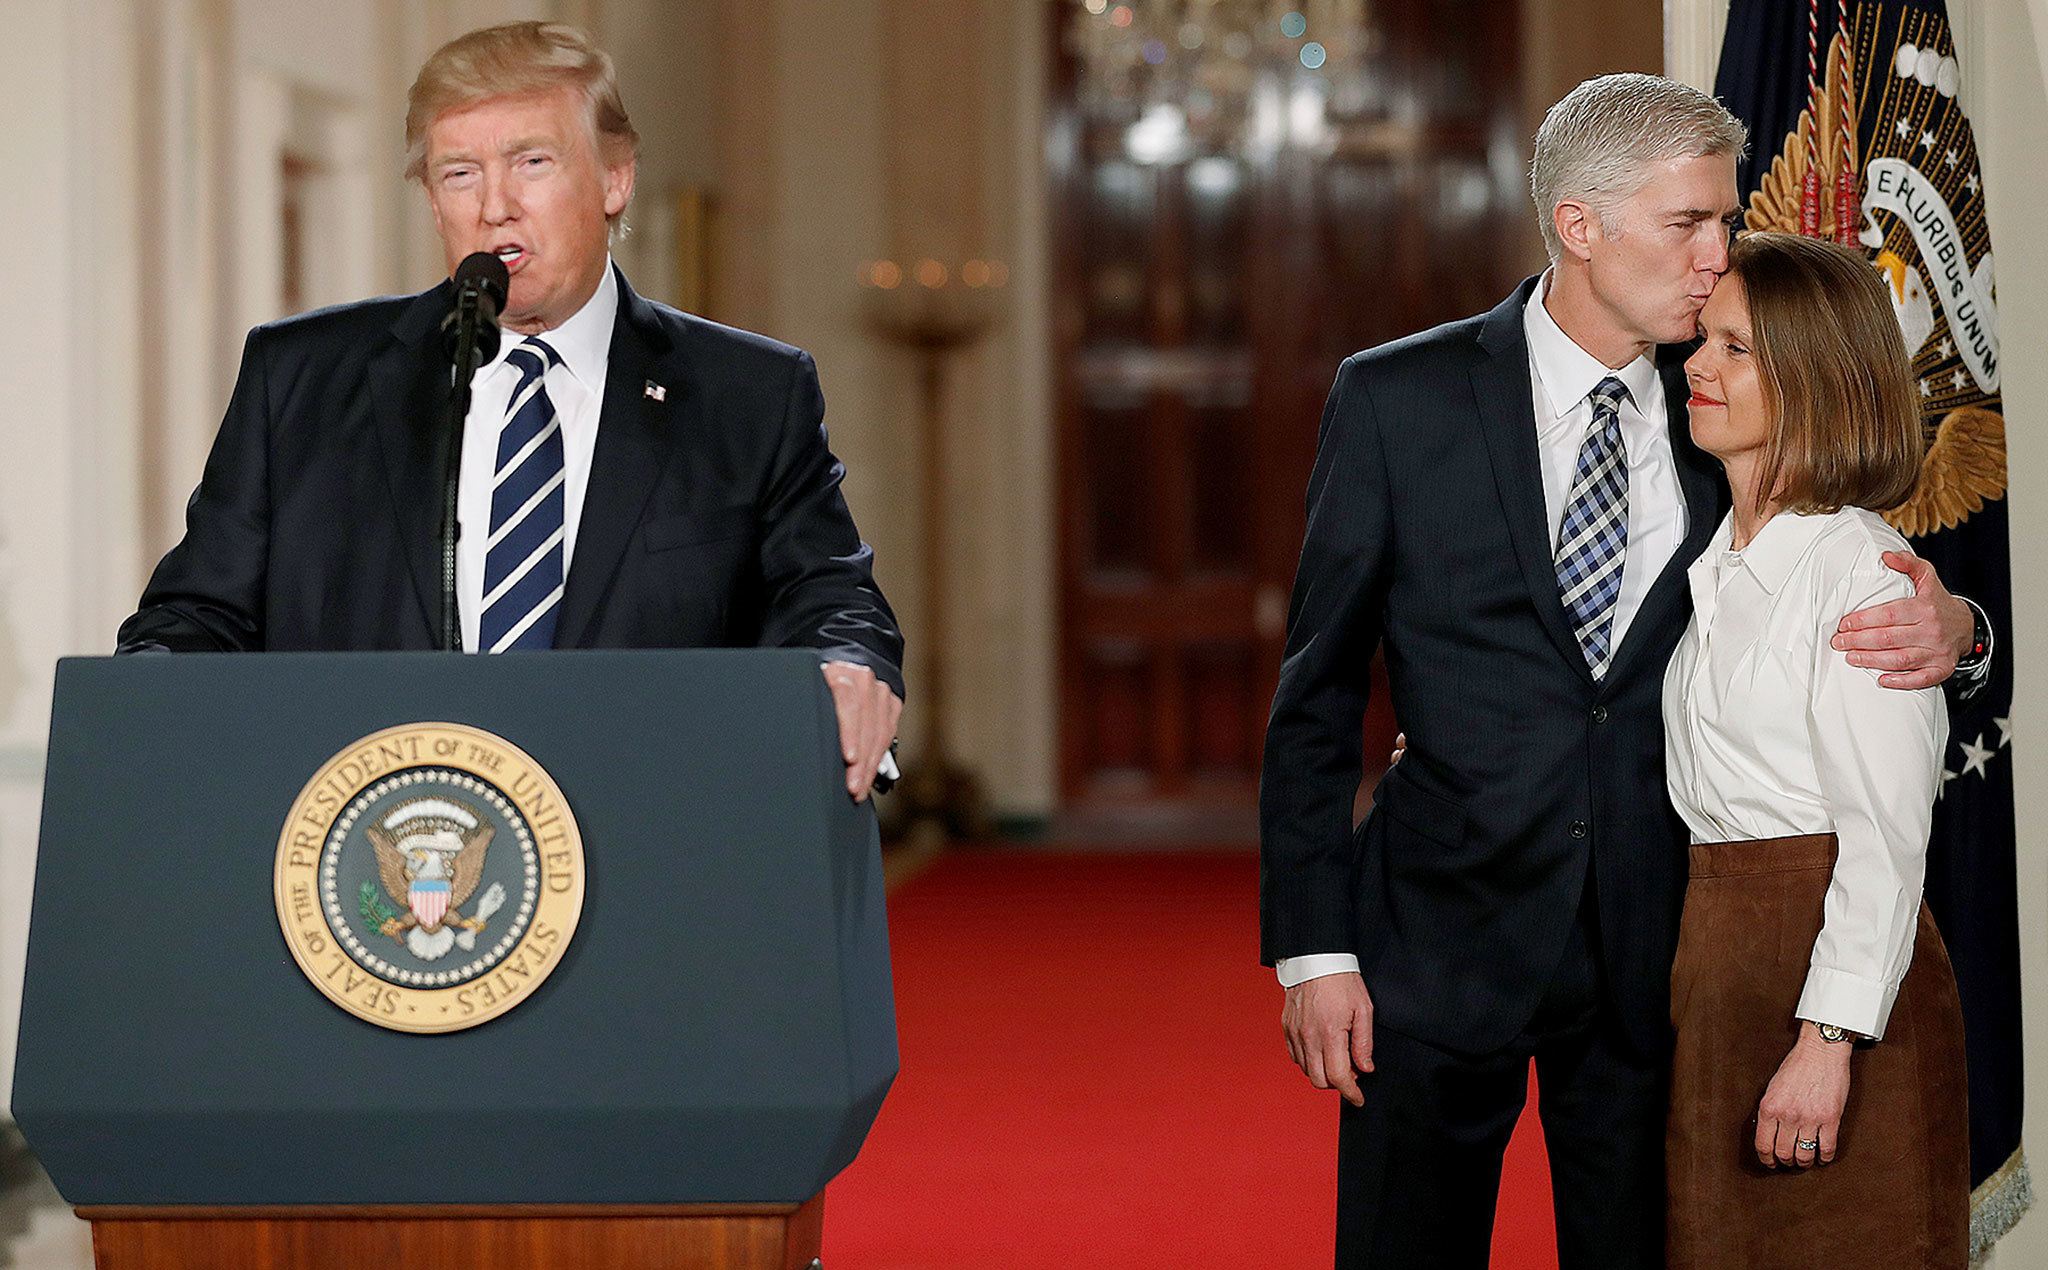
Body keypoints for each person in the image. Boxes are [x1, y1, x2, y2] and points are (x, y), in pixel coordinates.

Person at [1260, 73, 1989, 1267]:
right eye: (1686, 222)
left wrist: (1959, 624)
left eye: (1724, 220)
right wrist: (1314, 949)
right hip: (1433, 945)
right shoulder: (1396, 400)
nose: (1718, 255)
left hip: (1664, 970)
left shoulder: (1736, 397)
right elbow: (1314, 697)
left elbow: (1860, 568)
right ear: (1579, 226)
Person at [117, 21, 902, 800]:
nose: (496, 206)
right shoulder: (301, 379)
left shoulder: (747, 394)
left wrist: (849, 665)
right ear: (432, 202)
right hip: (371, 856)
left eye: (532, 162)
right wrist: (146, 695)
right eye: (460, 173)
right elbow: (199, 613)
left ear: (615, 178)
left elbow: (829, 594)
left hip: (645, 838)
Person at [1663, 230, 1968, 1267]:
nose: (1695, 365)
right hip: (1718, 965)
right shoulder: (1715, 560)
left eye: (1733, 347)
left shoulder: (1862, 575)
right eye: (1702, 339)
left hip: (1832, 979)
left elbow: (1882, 841)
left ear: (1814, 375)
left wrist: (1826, 1039)